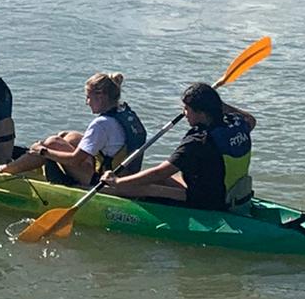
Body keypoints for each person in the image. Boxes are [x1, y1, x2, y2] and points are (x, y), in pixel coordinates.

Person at [97, 82, 256, 210]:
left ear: (201, 112)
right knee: (160, 179)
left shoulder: (198, 141)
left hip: (210, 201)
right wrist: (215, 102)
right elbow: (251, 119)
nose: (184, 113)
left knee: (148, 187)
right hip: (233, 193)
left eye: (187, 109)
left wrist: (118, 182)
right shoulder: (237, 123)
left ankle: (98, 189)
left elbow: (159, 173)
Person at [0, 72, 145, 188]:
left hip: (104, 180)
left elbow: (75, 161)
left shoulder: (102, 124)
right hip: (121, 170)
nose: (86, 102)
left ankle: (5, 169)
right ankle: (32, 161)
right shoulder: (124, 113)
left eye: (88, 97)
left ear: (100, 97)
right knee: (68, 136)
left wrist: (43, 151)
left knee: (51, 142)